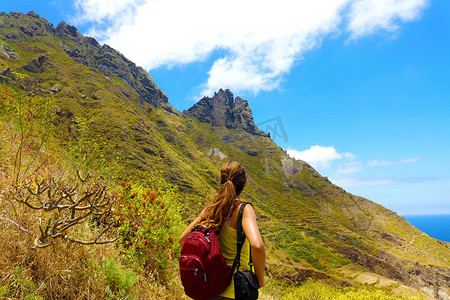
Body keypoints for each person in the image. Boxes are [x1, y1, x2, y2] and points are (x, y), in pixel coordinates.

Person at [179, 161, 265, 300]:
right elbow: (257, 246)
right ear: (244, 185)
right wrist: (260, 280)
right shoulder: (244, 209)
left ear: (222, 182)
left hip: (210, 290)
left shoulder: (211, 208)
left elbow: (183, 239)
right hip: (235, 291)